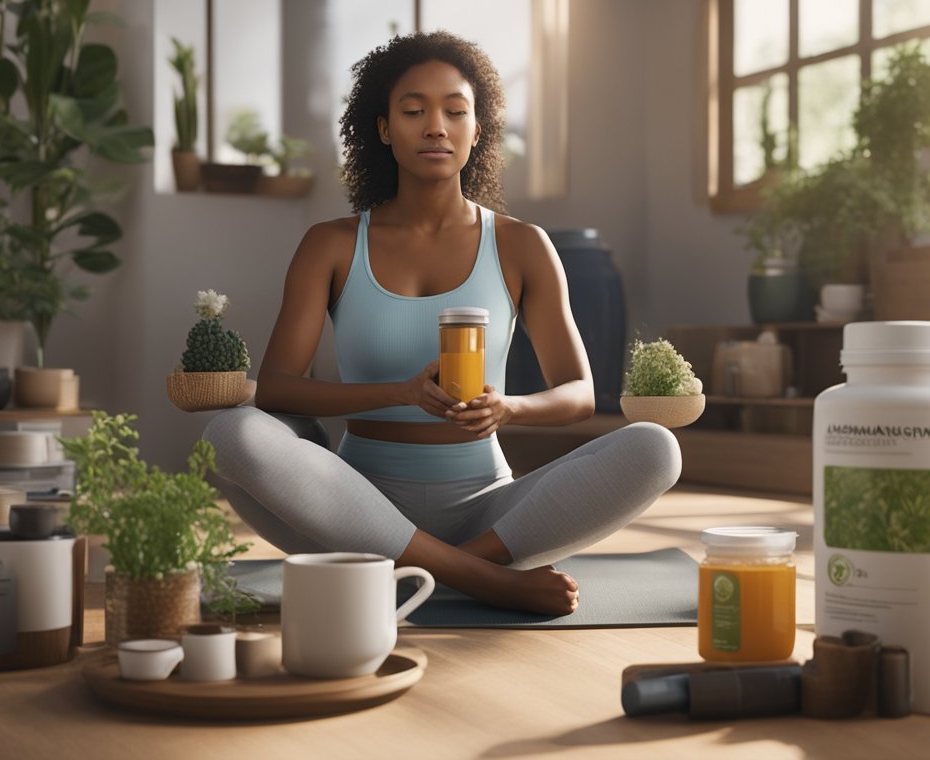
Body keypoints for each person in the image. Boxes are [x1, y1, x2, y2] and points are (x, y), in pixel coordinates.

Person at [204, 31, 681, 616]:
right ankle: (482, 580)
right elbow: (277, 388)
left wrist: (510, 408)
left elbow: (580, 394)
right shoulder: (329, 245)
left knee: (657, 449)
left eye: (455, 111)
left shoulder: (522, 244)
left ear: (476, 130)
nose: (436, 126)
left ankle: (435, 570)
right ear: (383, 128)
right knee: (227, 434)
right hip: (352, 507)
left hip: (490, 512)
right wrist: (401, 393)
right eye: (414, 111)